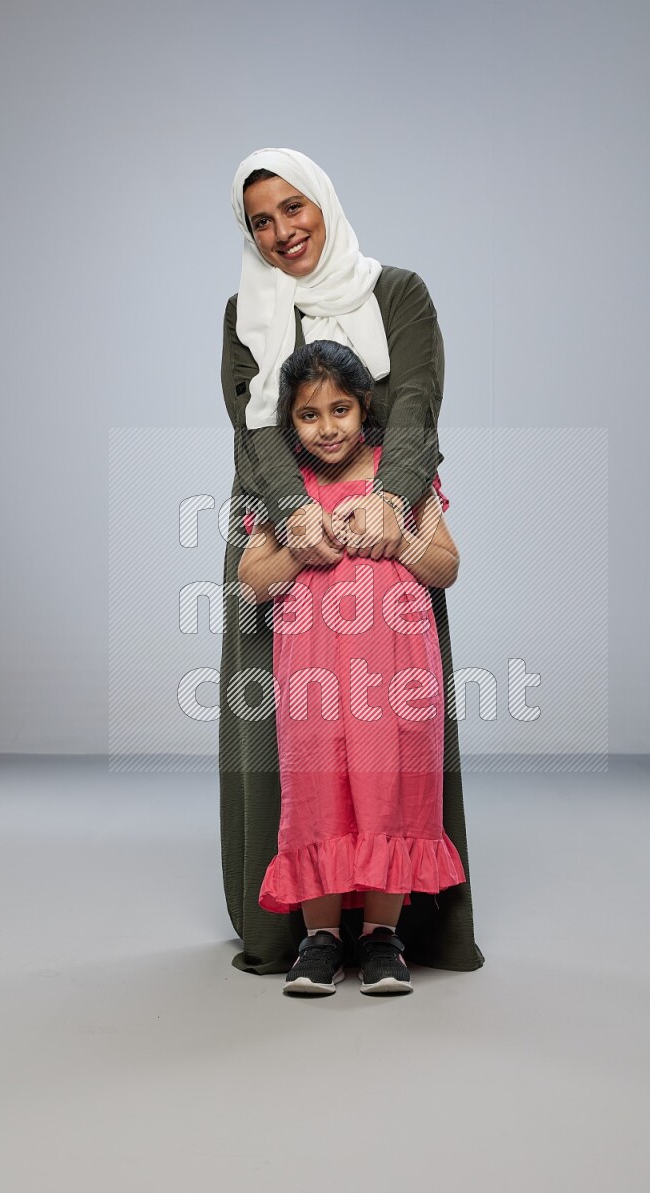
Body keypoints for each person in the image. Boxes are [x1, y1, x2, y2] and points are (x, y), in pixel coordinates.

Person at [219, 146, 484, 978]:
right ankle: (301, 932)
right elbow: (252, 422)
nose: (281, 231)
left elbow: (417, 402)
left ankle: (394, 929)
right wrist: (290, 514)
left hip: (382, 519)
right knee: (295, 740)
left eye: (293, 207)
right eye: (261, 221)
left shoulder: (396, 292)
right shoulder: (245, 311)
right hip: (284, 519)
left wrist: (393, 502)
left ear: (323, 202)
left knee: (388, 737)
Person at [238, 341, 466, 995]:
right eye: (309, 415)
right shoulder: (290, 492)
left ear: (365, 406)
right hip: (311, 672)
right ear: (291, 422)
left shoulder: (399, 478)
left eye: (340, 409)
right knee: (318, 789)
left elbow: (447, 566)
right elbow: (252, 580)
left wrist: (400, 539)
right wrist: (299, 552)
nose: (328, 427)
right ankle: (321, 939)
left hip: (397, 671)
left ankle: (381, 937)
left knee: (390, 786)